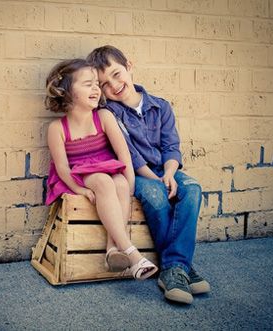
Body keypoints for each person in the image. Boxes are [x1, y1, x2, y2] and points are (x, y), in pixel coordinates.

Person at [87, 45, 210, 304]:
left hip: (167, 170)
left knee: (193, 189)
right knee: (155, 193)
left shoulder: (161, 106)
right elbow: (130, 155)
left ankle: (175, 266)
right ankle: (179, 267)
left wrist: (169, 173)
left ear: (129, 66)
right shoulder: (110, 113)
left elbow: (171, 146)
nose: (115, 85)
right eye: (105, 84)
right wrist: (157, 180)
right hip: (138, 173)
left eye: (117, 74)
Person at [44, 58, 158, 280]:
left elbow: (124, 155)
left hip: (107, 169)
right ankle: (132, 253)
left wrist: (131, 187)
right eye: (88, 84)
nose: (96, 88)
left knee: (120, 183)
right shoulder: (57, 128)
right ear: (67, 92)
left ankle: (112, 250)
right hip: (78, 175)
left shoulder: (104, 117)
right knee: (105, 182)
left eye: (97, 83)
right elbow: (63, 168)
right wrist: (81, 191)